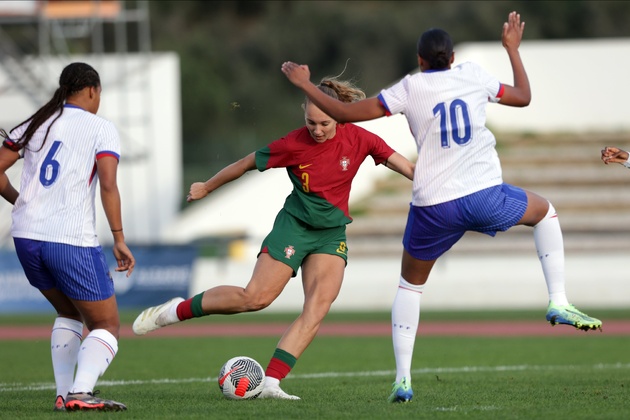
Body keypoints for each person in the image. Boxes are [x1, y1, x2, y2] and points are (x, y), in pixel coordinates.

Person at [281, 11, 602, 404]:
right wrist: (512, 50)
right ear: (450, 58)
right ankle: (558, 300)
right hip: (484, 195)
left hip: (433, 205)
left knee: (410, 285)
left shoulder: (411, 87)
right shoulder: (472, 74)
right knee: (545, 212)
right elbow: (523, 97)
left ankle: (402, 379)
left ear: (419, 60)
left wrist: (305, 84)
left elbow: (344, 114)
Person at [132, 77, 415, 400]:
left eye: (324, 123)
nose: (317, 130)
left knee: (318, 308)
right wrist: (207, 186)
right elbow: (245, 164)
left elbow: (402, 164)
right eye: (311, 122)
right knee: (255, 298)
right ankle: (174, 311)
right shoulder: (293, 144)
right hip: (293, 227)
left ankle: (271, 383)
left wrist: (431, 185)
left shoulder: (361, 138)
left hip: (330, 234)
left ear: (339, 115)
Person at [0, 62, 135, 412]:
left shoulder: (36, 122)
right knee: (106, 324)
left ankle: (63, 394)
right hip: (69, 239)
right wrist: (119, 238)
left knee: (68, 311)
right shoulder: (100, 128)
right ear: (92, 90)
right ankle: (80, 392)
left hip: (26, 237)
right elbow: (108, 185)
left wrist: (20, 200)